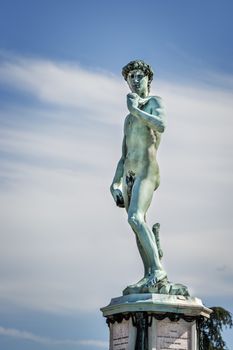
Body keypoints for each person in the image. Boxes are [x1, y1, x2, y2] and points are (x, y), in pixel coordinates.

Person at [110, 60, 167, 294]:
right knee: (137, 224)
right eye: (130, 77)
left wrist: (135, 110)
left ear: (148, 79)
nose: (134, 81)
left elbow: (161, 125)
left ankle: (158, 270)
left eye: (139, 76)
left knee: (135, 217)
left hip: (147, 171)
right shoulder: (128, 119)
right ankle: (149, 273)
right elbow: (123, 156)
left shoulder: (153, 103)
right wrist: (114, 182)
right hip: (130, 175)